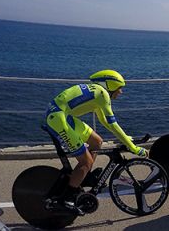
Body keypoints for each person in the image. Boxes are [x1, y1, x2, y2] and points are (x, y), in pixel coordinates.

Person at [44, 70, 146, 209]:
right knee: (86, 162)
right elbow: (112, 124)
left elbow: (103, 121)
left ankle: (83, 176)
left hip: (62, 115)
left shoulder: (98, 92)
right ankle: (66, 198)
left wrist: (125, 138)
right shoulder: (103, 94)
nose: (121, 92)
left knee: (96, 142)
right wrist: (133, 147)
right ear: (110, 85)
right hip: (58, 119)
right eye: (119, 88)